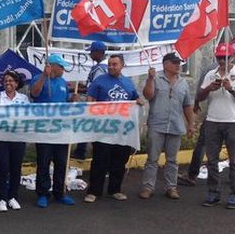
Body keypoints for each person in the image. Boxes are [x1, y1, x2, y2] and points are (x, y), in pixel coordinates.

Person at [84, 54, 144, 203]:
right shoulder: (99, 82)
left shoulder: (128, 83)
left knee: (119, 161)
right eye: (109, 64)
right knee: (100, 161)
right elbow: (90, 100)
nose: (111, 67)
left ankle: (115, 190)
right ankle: (93, 191)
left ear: (122, 65)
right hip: (103, 130)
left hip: (122, 131)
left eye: (114, 64)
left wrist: (139, 102)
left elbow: (134, 98)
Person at [139, 52, 194, 200]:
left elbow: (187, 105)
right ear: (165, 64)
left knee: (172, 160)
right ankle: (148, 187)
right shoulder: (155, 78)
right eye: (174, 62)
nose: (178, 65)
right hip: (157, 125)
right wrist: (150, 79)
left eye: (179, 63)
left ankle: (171, 187)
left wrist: (191, 124)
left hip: (176, 125)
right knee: (152, 158)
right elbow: (148, 95)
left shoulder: (183, 83)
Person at [30, 54, 77, 208]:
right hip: (44, 129)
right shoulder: (38, 78)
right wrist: (44, 75)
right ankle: (43, 193)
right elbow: (34, 93)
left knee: (61, 162)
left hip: (61, 129)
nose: (63, 70)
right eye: (61, 66)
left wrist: (72, 99)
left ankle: (59, 192)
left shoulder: (63, 82)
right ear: (52, 66)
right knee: (43, 161)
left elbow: (64, 101)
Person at [196, 43, 235, 208]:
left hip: (232, 121)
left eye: (224, 58)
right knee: (212, 160)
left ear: (231, 57)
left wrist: (231, 88)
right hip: (213, 120)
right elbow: (200, 96)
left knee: (234, 161)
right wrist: (209, 89)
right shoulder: (211, 74)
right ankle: (213, 193)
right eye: (219, 57)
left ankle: (233, 195)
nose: (221, 61)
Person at [0, 70, 30, 212]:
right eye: (6, 80)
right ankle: (1, 198)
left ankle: (12, 197)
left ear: (17, 83)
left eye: (11, 80)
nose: (8, 83)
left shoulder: (23, 98)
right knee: (3, 166)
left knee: (15, 168)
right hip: (1, 137)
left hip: (18, 137)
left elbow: (27, 116)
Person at [73, 41, 108, 160]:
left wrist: (77, 89)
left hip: (95, 104)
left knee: (87, 127)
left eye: (92, 52)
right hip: (99, 105)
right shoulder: (103, 66)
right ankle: (81, 151)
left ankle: (80, 152)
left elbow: (95, 88)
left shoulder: (100, 68)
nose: (90, 54)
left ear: (98, 53)